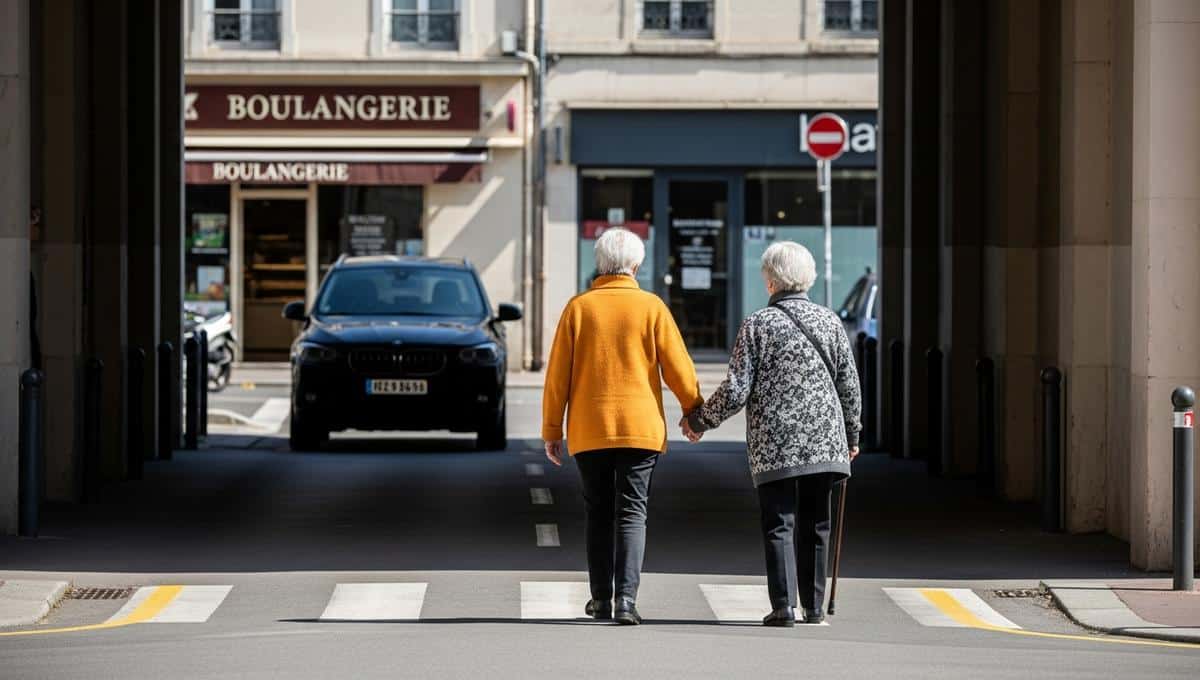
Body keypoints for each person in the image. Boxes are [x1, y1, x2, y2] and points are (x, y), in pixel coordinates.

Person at [683, 241, 861, 626]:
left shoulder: (758, 324)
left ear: (770, 281)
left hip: (774, 445)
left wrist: (700, 420)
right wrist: (852, 434)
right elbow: (849, 384)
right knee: (817, 522)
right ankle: (813, 608)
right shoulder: (830, 322)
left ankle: (784, 606)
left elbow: (736, 388)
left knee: (779, 522)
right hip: (824, 442)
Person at [542, 227, 703, 625]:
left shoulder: (578, 309)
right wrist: (694, 411)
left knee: (598, 512)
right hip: (641, 427)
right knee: (633, 513)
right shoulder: (651, 308)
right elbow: (678, 369)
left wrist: (551, 431)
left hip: (589, 427)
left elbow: (557, 377)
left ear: (599, 264)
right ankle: (626, 601)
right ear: (636, 265)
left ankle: (600, 599)